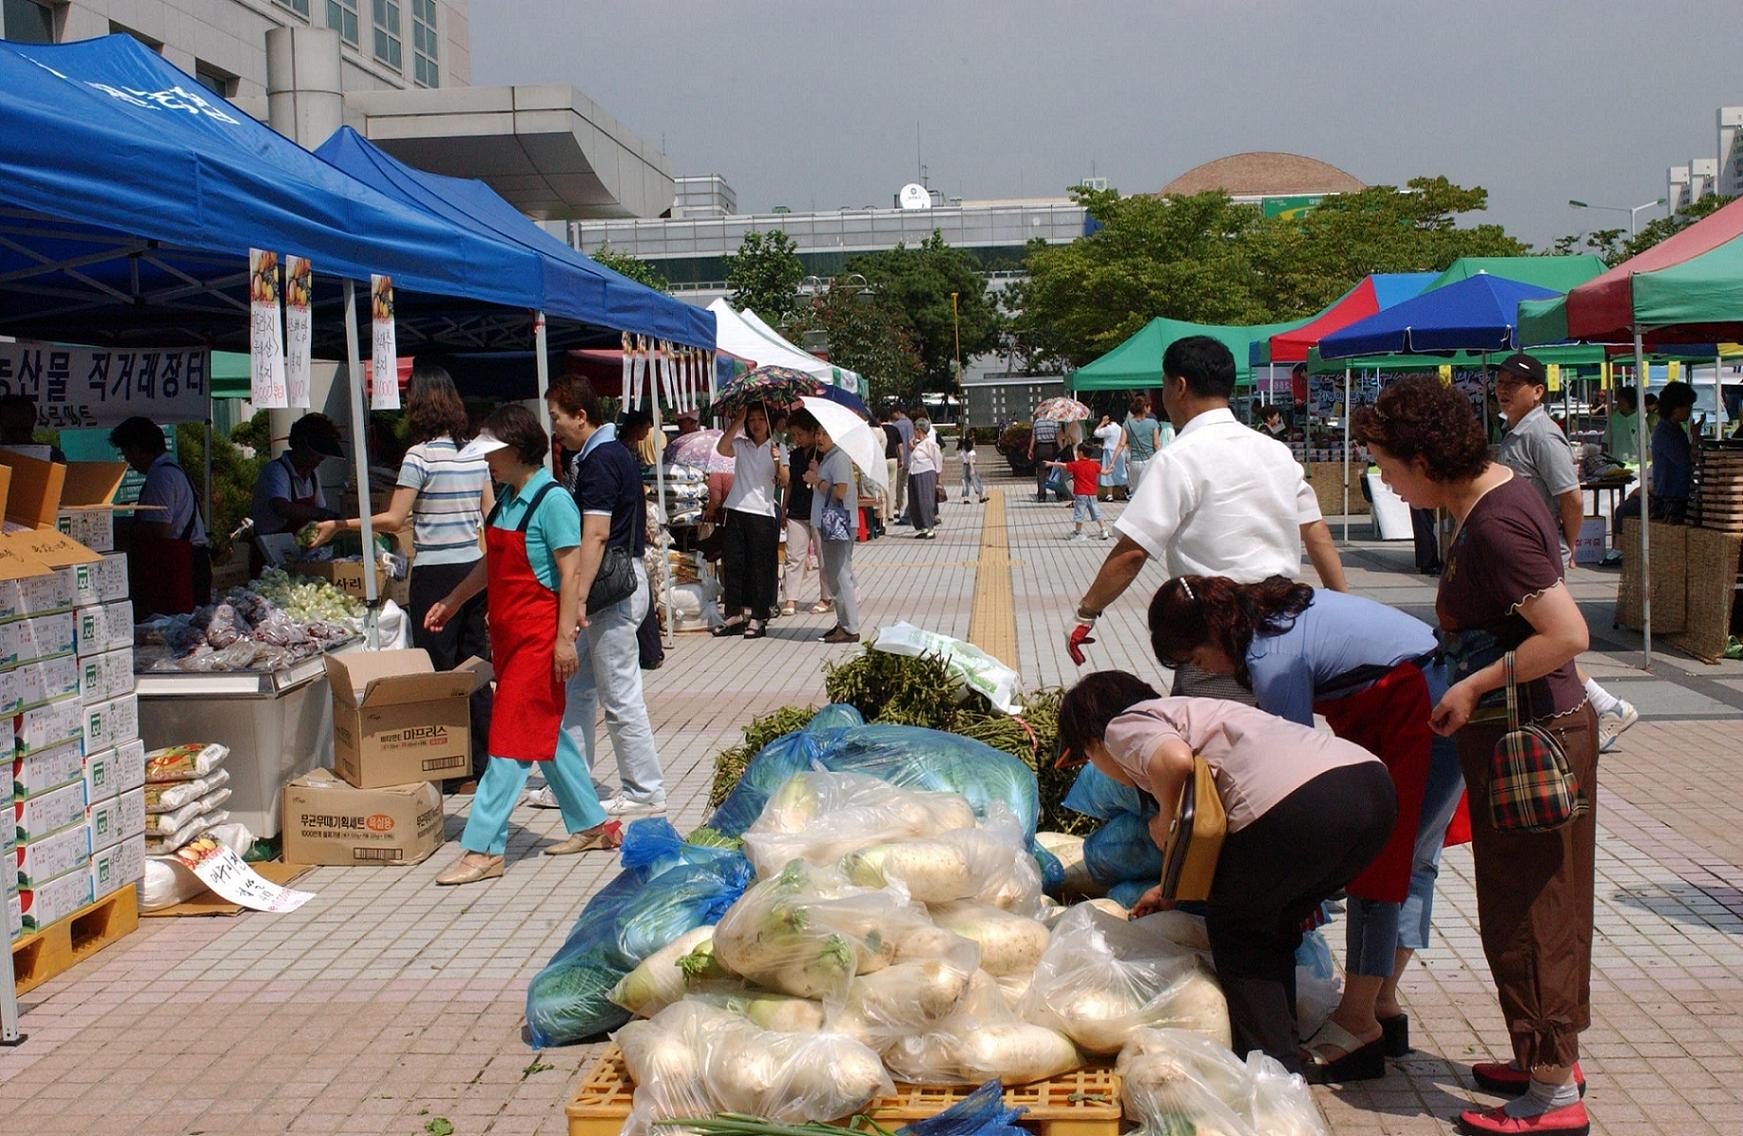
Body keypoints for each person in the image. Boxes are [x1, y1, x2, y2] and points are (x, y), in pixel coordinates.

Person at [1354, 375, 1598, 1136]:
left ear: (1424, 458)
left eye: (1388, 467)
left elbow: (1566, 635)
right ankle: (1539, 1057)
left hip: (1531, 738)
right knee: (1521, 904)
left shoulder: (1491, 524)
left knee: (1535, 912)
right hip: (1520, 731)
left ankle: (1552, 1094)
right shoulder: (1492, 495)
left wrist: (1473, 685)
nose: (1387, 484)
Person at [1147, 575, 1468, 1082]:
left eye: (1193, 656)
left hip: (1421, 708)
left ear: (1214, 632)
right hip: (1421, 692)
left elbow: (1288, 774)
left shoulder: (1273, 660)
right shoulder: (1265, 612)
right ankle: (1381, 1004)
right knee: (1410, 861)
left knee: (1383, 869)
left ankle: (1358, 1023)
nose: (1199, 669)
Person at [1058, 670, 1395, 1075]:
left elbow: (1175, 761)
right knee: (1272, 922)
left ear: (1094, 739)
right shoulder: (1199, 713)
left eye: (1088, 755)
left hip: (1305, 805)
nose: (1098, 764)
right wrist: (1170, 886)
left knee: (1239, 928)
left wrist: (1166, 819)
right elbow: (1220, 821)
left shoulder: (1123, 725)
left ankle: (1272, 1073)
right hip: (1372, 793)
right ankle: (1292, 1057)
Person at [1068, 336, 1348, 688]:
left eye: (1164, 385)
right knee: (1281, 733)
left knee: (1209, 736)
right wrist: (1344, 608)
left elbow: (1134, 550)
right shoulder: (1275, 452)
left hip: (1216, 636)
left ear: (1179, 386)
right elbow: (1316, 532)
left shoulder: (1177, 459)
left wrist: (1087, 611)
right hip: (1285, 623)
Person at [425, 405, 619, 886]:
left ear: (517, 449)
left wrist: (563, 641)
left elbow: (571, 573)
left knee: (509, 742)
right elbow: (490, 567)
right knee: (544, 737)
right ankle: (593, 825)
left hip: (540, 638)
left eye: (494, 453)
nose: (488, 462)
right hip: (508, 639)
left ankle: (483, 848)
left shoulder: (552, 500)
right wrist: (452, 600)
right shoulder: (508, 499)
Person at [309, 367, 495, 782]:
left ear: (420, 405)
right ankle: (485, 761)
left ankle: (448, 767)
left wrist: (340, 525)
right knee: (475, 667)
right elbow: (490, 517)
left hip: (435, 574)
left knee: (439, 671)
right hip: (474, 568)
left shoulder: (419, 456)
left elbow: (395, 519)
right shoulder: (476, 455)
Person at [1495, 353, 1637, 752]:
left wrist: (1568, 546)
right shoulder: (1515, 431)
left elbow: (1570, 498)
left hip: (1541, 556)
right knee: (1540, 641)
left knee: (1547, 641)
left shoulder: (1542, 435)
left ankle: (1606, 708)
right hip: (1524, 555)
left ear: (1538, 392)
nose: (1504, 389)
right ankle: (1601, 709)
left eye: (1514, 384)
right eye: (1501, 382)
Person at [547, 375, 668, 818]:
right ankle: (573, 781)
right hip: (614, 584)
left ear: (581, 416)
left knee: (619, 694)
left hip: (609, 590)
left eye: (557, 418)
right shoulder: (612, 453)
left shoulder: (600, 461)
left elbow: (595, 535)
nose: (554, 428)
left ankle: (644, 788)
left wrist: (577, 600)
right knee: (577, 686)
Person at [108, 416, 210, 616]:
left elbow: (159, 528)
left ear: (137, 449)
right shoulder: (173, 470)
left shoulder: (161, 476)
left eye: (128, 455)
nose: (129, 463)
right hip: (188, 561)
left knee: (174, 627)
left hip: (178, 566)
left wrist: (120, 528)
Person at [712, 403, 786, 638]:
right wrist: (738, 419)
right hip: (736, 508)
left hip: (762, 513)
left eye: (760, 419)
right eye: (751, 420)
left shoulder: (777, 447)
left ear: (768, 423)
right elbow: (722, 448)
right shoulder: (741, 445)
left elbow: (784, 480)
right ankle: (733, 614)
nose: (756, 424)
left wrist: (777, 461)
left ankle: (758, 616)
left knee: (759, 567)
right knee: (733, 564)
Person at [248, 413, 343, 572]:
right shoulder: (276, 470)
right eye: (318, 452)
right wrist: (323, 514)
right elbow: (281, 507)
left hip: (297, 558)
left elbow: (318, 511)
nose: (321, 458)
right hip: (269, 558)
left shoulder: (312, 475)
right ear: (301, 445)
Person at [807, 417, 862, 644]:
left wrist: (815, 480)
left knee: (840, 576)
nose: (820, 438)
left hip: (837, 524)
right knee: (835, 576)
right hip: (829, 524)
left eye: (825, 434)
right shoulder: (830, 457)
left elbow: (840, 492)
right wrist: (818, 473)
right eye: (818, 433)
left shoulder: (839, 458)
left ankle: (850, 627)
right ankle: (843, 622)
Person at [1616, 380, 1696, 526]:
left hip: (1675, 495)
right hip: (1670, 500)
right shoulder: (1666, 432)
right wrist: (1696, 439)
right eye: (1688, 405)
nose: (1690, 409)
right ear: (1676, 407)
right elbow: (1686, 462)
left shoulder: (1675, 429)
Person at [781, 409, 831, 618]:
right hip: (797, 511)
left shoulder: (825, 454)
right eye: (794, 435)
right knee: (794, 556)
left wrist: (817, 471)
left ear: (813, 432)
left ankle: (826, 597)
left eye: (800, 434)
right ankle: (790, 599)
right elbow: (790, 484)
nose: (797, 439)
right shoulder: (794, 455)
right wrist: (784, 509)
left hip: (819, 511)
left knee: (824, 556)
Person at [1044, 442, 1110, 542]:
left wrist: (1050, 463)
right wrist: (1111, 468)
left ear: (1081, 453)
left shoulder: (1076, 465)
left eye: (1077, 451)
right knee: (1096, 512)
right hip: (1092, 493)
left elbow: (1063, 465)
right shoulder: (1094, 465)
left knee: (1079, 513)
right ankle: (1104, 530)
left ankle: (1077, 532)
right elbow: (1105, 472)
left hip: (1080, 493)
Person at [906, 416, 944, 539]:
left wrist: (938, 476)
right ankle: (922, 526)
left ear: (919, 430)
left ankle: (930, 527)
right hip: (914, 473)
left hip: (926, 472)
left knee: (925, 500)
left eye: (915, 430)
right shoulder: (920, 444)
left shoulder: (930, 443)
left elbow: (937, 459)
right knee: (915, 501)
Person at [0, 395, 66, 461]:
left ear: (33, 421)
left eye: (24, 426)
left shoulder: (53, 455)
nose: (18, 430)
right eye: (11, 424)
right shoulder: (54, 454)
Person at [1121, 394, 1166, 489]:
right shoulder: (1153, 423)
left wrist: (1112, 462)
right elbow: (1156, 444)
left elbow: (1122, 444)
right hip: (1149, 460)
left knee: (1137, 491)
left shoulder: (1127, 424)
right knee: (1150, 490)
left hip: (1134, 462)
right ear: (1145, 407)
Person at [1028, 411, 1063, 501]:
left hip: (1041, 448)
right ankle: (1059, 494)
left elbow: (1033, 437)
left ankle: (1041, 495)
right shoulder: (1054, 421)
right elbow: (1058, 436)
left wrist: (1030, 450)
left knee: (1041, 472)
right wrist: (1062, 449)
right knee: (1055, 471)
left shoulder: (1037, 422)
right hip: (1052, 448)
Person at [879, 409, 906, 525]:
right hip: (893, 459)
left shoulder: (878, 430)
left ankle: (883, 513)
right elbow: (899, 446)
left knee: (881, 487)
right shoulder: (894, 429)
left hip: (881, 460)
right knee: (891, 487)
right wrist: (901, 459)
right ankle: (890, 514)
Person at [1093, 414, 1127, 501]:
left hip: (1109, 451)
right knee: (1120, 472)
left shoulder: (1109, 428)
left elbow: (1096, 433)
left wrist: (1102, 423)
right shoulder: (1120, 428)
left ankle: (1109, 494)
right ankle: (1122, 492)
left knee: (1109, 473)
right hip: (1120, 452)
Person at [891, 405, 915, 523]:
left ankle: (901, 511)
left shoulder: (896, 426)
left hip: (900, 459)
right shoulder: (910, 423)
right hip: (909, 458)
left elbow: (898, 445)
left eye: (894, 413)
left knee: (898, 486)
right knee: (905, 485)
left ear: (898, 412)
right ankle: (906, 510)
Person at [1603, 386, 1640, 464]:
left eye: (1622, 402)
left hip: (1635, 462)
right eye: (1618, 401)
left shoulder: (1640, 419)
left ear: (1630, 402)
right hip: (1617, 462)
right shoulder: (1614, 419)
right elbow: (1605, 441)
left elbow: (1646, 444)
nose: (1619, 404)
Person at [959, 431, 987, 503]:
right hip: (971, 466)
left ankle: (966, 498)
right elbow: (970, 461)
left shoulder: (963, 451)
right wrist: (972, 469)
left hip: (964, 467)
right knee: (976, 481)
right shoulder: (971, 452)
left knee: (966, 482)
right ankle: (981, 497)